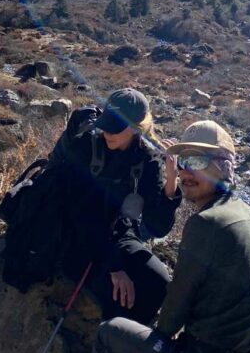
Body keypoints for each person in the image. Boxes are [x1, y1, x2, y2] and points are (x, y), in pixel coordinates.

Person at [57, 120, 250, 353]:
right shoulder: (242, 213)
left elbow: (175, 310)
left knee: (110, 334)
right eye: (184, 162)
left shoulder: (206, 223)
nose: (188, 172)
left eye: (199, 163)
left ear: (223, 166)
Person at [52, 88, 181, 327]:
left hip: (116, 231)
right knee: (115, 290)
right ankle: (109, 346)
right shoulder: (87, 145)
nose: (107, 131)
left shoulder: (147, 160)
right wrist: (114, 267)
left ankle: (125, 345)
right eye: (106, 123)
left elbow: (157, 226)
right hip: (72, 230)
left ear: (136, 128)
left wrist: (171, 185)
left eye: (116, 126)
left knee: (158, 282)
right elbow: (81, 212)